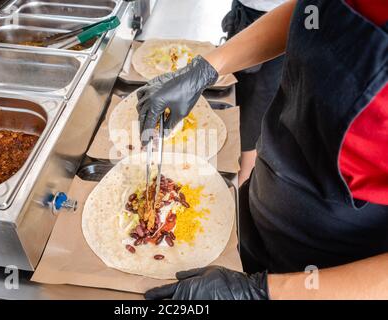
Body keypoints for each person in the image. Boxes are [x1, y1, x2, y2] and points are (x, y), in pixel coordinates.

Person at [137, 0, 388, 299]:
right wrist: (206, 68)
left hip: (332, 275)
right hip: (260, 209)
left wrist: (261, 292)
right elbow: (315, 13)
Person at [222, 0, 287, 186]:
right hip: (246, 11)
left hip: (280, 14)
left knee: (257, 104)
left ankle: (245, 177)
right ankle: (237, 166)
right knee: (236, 93)